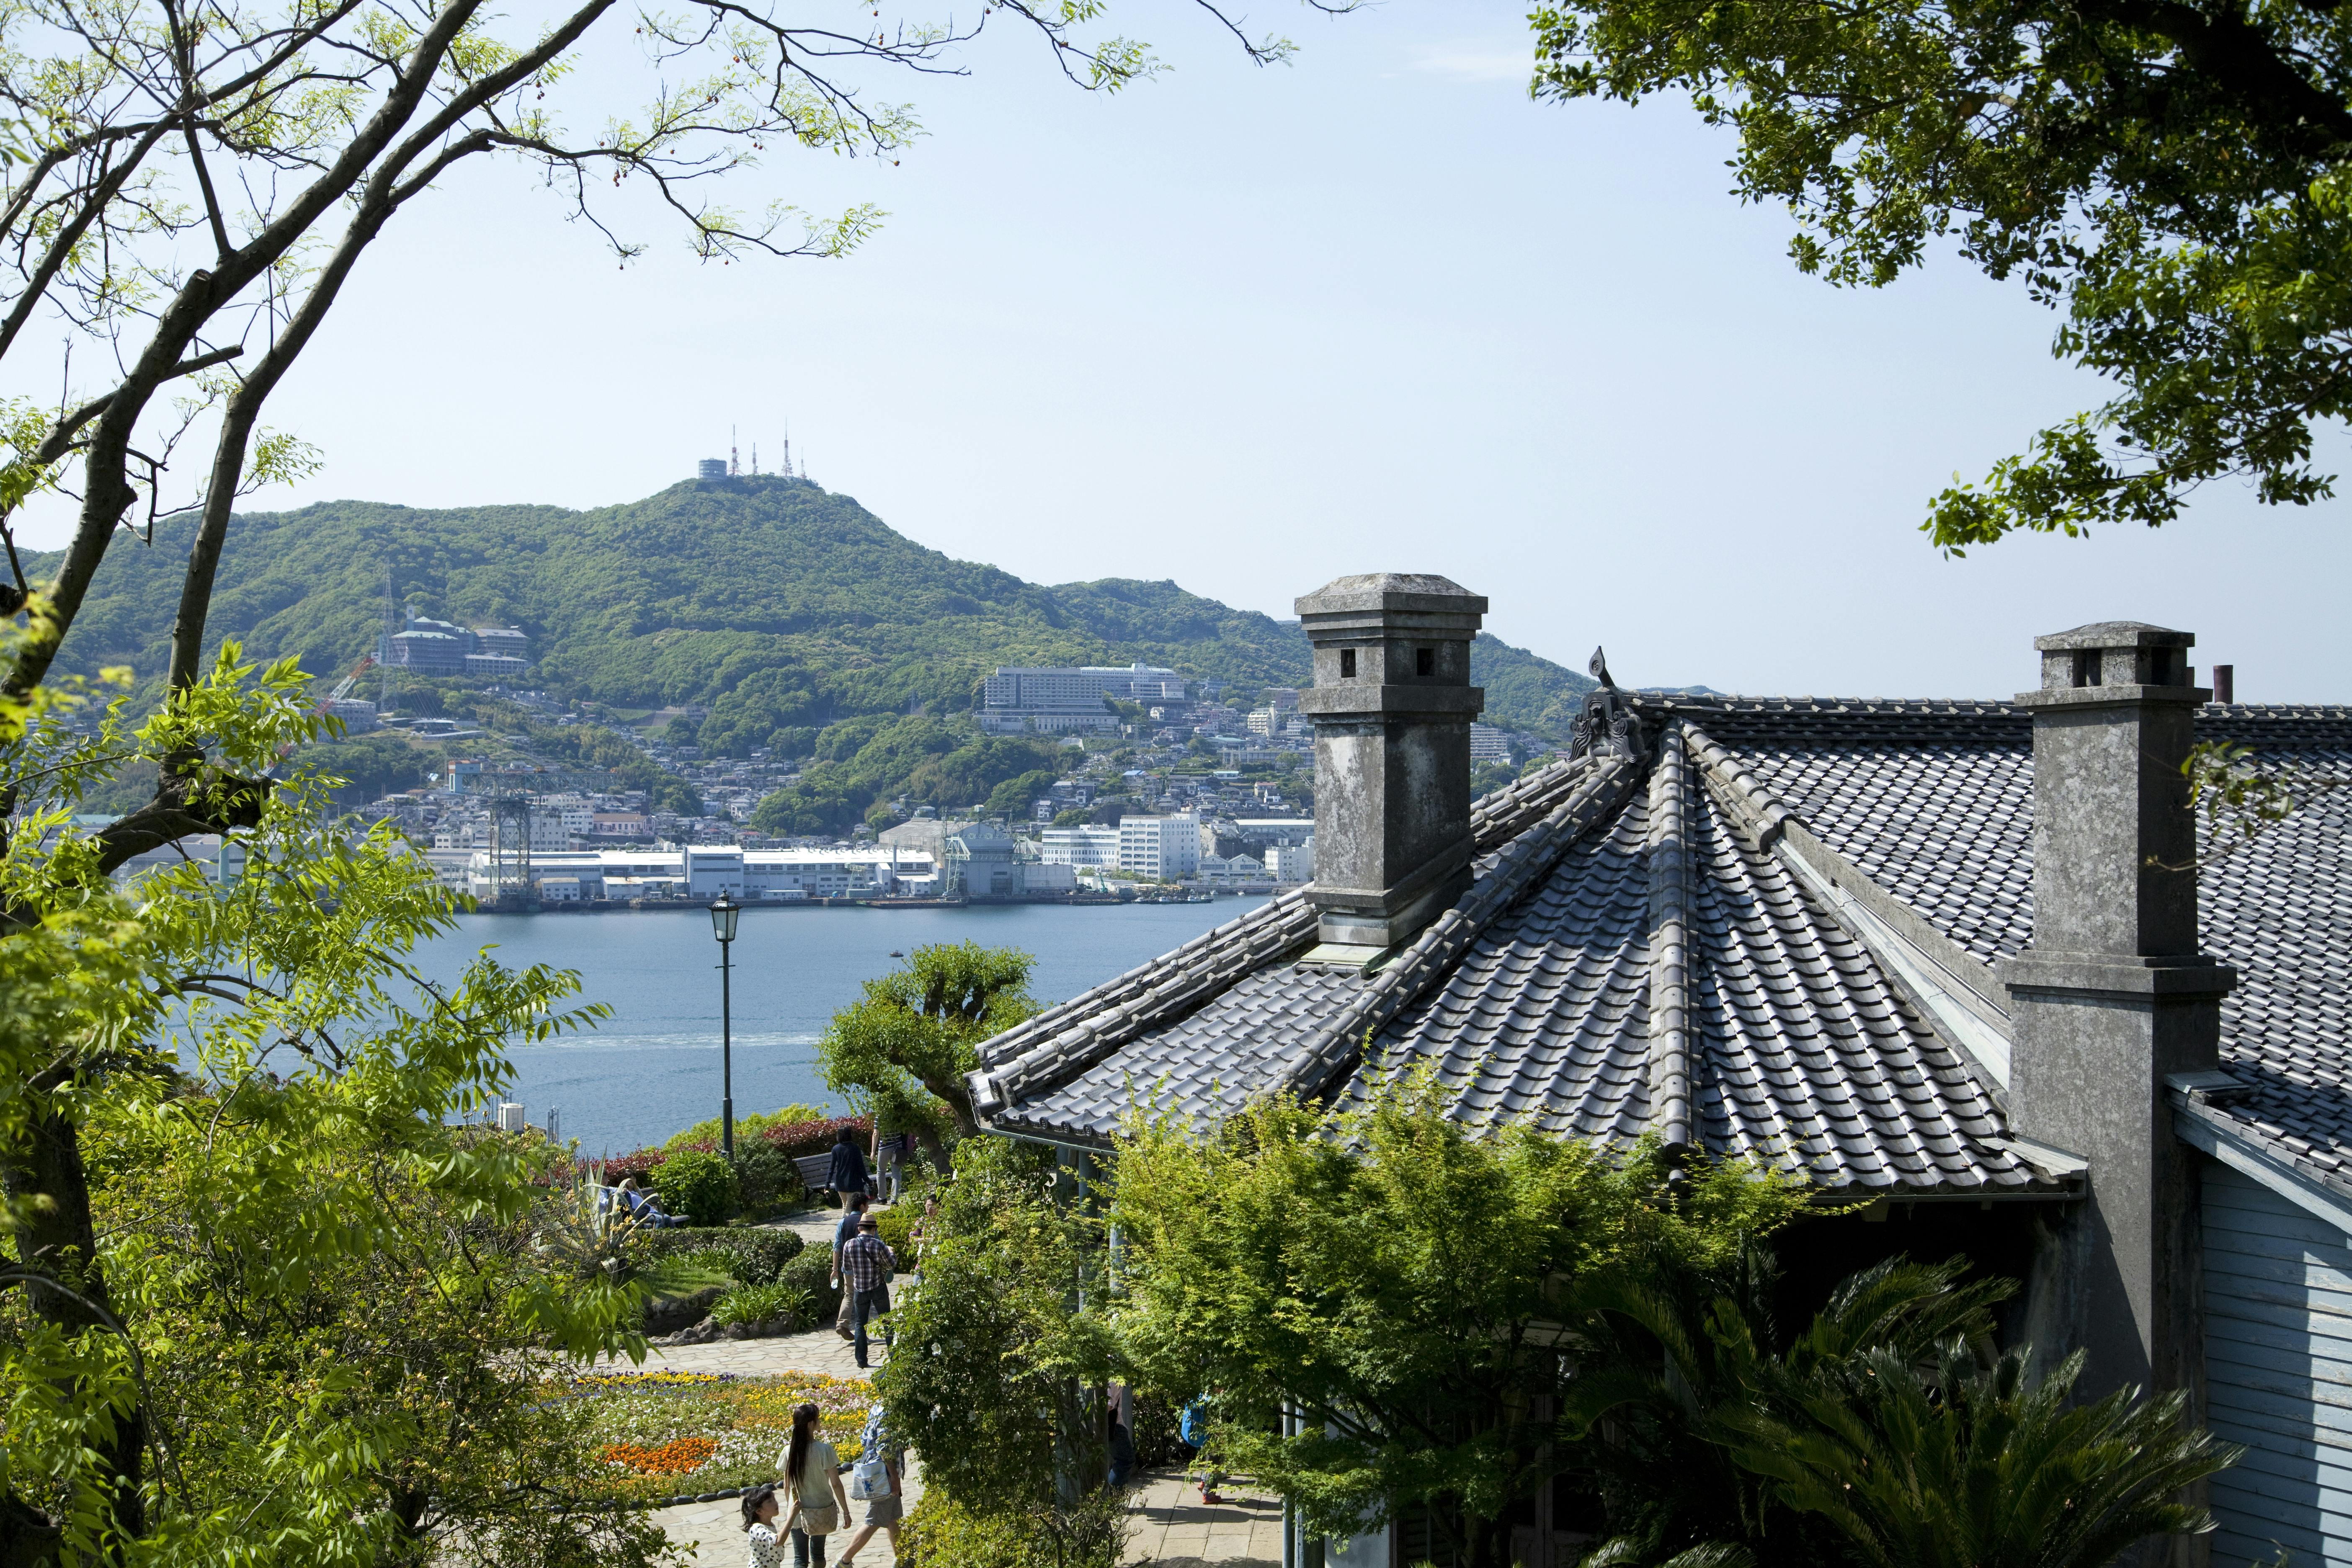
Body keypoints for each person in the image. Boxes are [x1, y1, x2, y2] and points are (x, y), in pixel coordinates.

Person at [777, 1402, 849, 1568]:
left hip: (797, 1510)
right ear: (811, 1424)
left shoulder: (789, 1450)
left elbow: (787, 1486)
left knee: (800, 1559)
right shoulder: (825, 1450)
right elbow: (836, 1484)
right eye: (818, 1418)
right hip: (821, 1509)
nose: (820, 1421)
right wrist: (846, 1511)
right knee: (818, 1554)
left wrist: (790, 1509)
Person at [835, 1404, 903, 1568]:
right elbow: (884, 1448)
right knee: (873, 1521)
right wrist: (894, 1476)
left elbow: (864, 1439)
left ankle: (902, 1559)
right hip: (884, 1476)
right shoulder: (888, 1410)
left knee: (892, 1518)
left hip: (878, 1472)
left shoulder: (877, 1407)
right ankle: (844, 1561)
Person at [837, 1212, 897, 1369]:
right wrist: (891, 1251)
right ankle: (894, 1358)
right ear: (874, 1229)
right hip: (878, 1288)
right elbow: (891, 1264)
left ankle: (862, 1361)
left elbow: (847, 1268)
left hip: (860, 1289)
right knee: (888, 1323)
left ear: (860, 1228)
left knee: (860, 1325)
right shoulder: (879, 1245)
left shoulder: (849, 1245)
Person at [830, 1192, 869, 1340]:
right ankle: (861, 1331)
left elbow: (837, 1247)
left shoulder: (843, 1222)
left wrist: (835, 1270)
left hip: (848, 1267)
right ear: (861, 1206)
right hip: (864, 1268)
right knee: (865, 1298)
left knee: (849, 1294)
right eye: (867, 1205)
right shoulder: (866, 1222)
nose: (868, 1207)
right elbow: (875, 1242)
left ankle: (842, 1323)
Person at [741, 1481, 786, 1568]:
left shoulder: (769, 1525)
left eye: (774, 1499)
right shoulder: (757, 1529)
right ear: (759, 1511)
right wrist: (792, 1516)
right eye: (770, 1501)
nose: (775, 1503)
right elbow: (778, 1541)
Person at [616, 1176, 686, 1228]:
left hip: (649, 1210)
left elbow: (643, 1201)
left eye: (634, 1179)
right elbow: (628, 1206)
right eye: (630, 1180)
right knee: (660, 1219)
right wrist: (623, 1193)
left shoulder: (637, 1190)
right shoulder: (626, 1193)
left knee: (667, 1217)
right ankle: (656, 1239)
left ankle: (674, 1237)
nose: (632, 1181)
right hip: (640, 1214)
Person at [825, 1127, 869, 1203]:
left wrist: (827, 1185)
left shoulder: (836, 1149)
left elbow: (831, 1168)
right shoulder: (855, 1148)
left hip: (840, 1182)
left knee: (845, 1205)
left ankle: (845, 1216)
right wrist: (867, 1180)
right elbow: (861, 1167)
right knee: (849, 1207)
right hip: (853, 1182)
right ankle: (846, 1216)